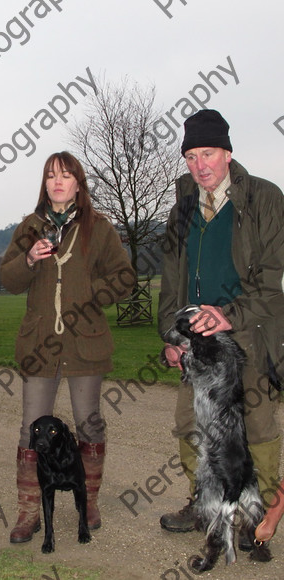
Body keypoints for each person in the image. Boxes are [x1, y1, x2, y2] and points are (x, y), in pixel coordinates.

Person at [158, 110, 284, 547]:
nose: (200, 165)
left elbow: (273, 281)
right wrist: (172, 339)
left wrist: (230, 313)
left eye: (207, 153)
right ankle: (205, 504)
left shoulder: (264, 199)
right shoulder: (182, 209)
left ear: (227, 153)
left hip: (249, 334)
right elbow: (170, 282)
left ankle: (257, 514)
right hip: (197, 344)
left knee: (257, 426)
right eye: (191, 156)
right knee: (191, 425)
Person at [0, 151, 135, 543]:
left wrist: (91, 294)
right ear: (44, 184)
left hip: (85, 342)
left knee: (89, 422)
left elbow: (124, 277)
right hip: (40, 342)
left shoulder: (99, 228)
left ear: (79, 183)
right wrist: (27, 258)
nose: (57, 182)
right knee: (31, 428)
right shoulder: (29, 226)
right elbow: (8, 279)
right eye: (51, 176)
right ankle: (29, 512)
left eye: (66, 175)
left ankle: (87, 500)